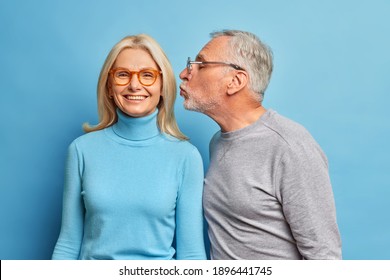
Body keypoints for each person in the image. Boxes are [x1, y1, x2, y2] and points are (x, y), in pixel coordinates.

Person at [179, 29, 342, 260]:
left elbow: (325, 256)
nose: (184, 73)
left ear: (235, 81)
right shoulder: (218, 142)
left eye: (201, 64)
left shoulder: (290, 146)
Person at [52, 34, 206, 260]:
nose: (135, 85)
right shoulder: (81, 150)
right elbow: (68, 243)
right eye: (123, 75)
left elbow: (191, 253)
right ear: (109, 86)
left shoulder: (186, 156)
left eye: (147, 75)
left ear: (163, 86)